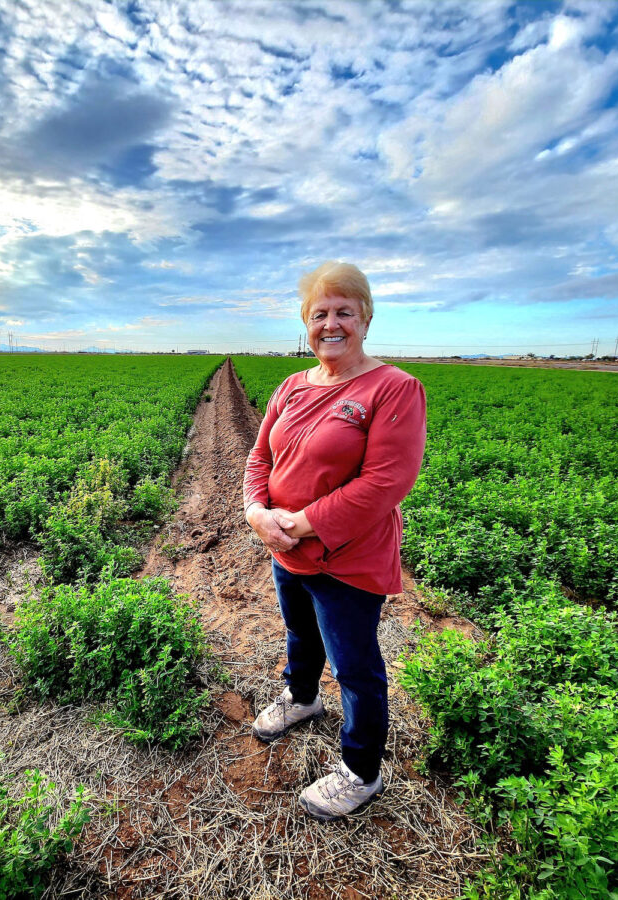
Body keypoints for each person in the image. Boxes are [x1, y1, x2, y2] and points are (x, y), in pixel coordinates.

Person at [242, 260, 427, 821]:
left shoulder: (392, 388)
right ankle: (301, 698)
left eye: (344, 311)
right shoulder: (292, 385)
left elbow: (385, 483)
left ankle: (361, 771)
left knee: (355, 665)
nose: (331, 323)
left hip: (348, 557)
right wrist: (256, 510)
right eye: (319, 313)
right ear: (306, 323)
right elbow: (260, 456)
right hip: (285, 549)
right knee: (299, 630)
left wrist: (295, 523)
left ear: (366, 319)